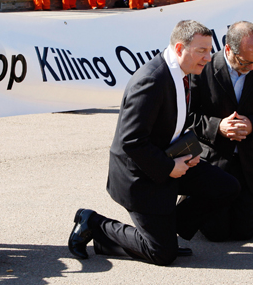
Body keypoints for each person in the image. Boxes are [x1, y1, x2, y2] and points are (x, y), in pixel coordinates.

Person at [68, 20, 239, 266]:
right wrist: (170, 168)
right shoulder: (151, 80)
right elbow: (132, 141)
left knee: (226, 187)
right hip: (140, 173)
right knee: (162, 254)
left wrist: (187, 152)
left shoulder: (183, 72)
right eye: (202, 50)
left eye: (210, 50)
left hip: (169, 158)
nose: (209, 57)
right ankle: (94, 223)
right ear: (180, 48)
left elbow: (175, 123)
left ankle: (166, 230)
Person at [190, 21, 253, 241]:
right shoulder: (203, 69)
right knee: (216, 234)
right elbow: (188, 117)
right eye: (244, 62)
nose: (251, 67)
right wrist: (218, 127)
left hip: (248, 163)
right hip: (214, 160)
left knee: (244, 232)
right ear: (228, 50)